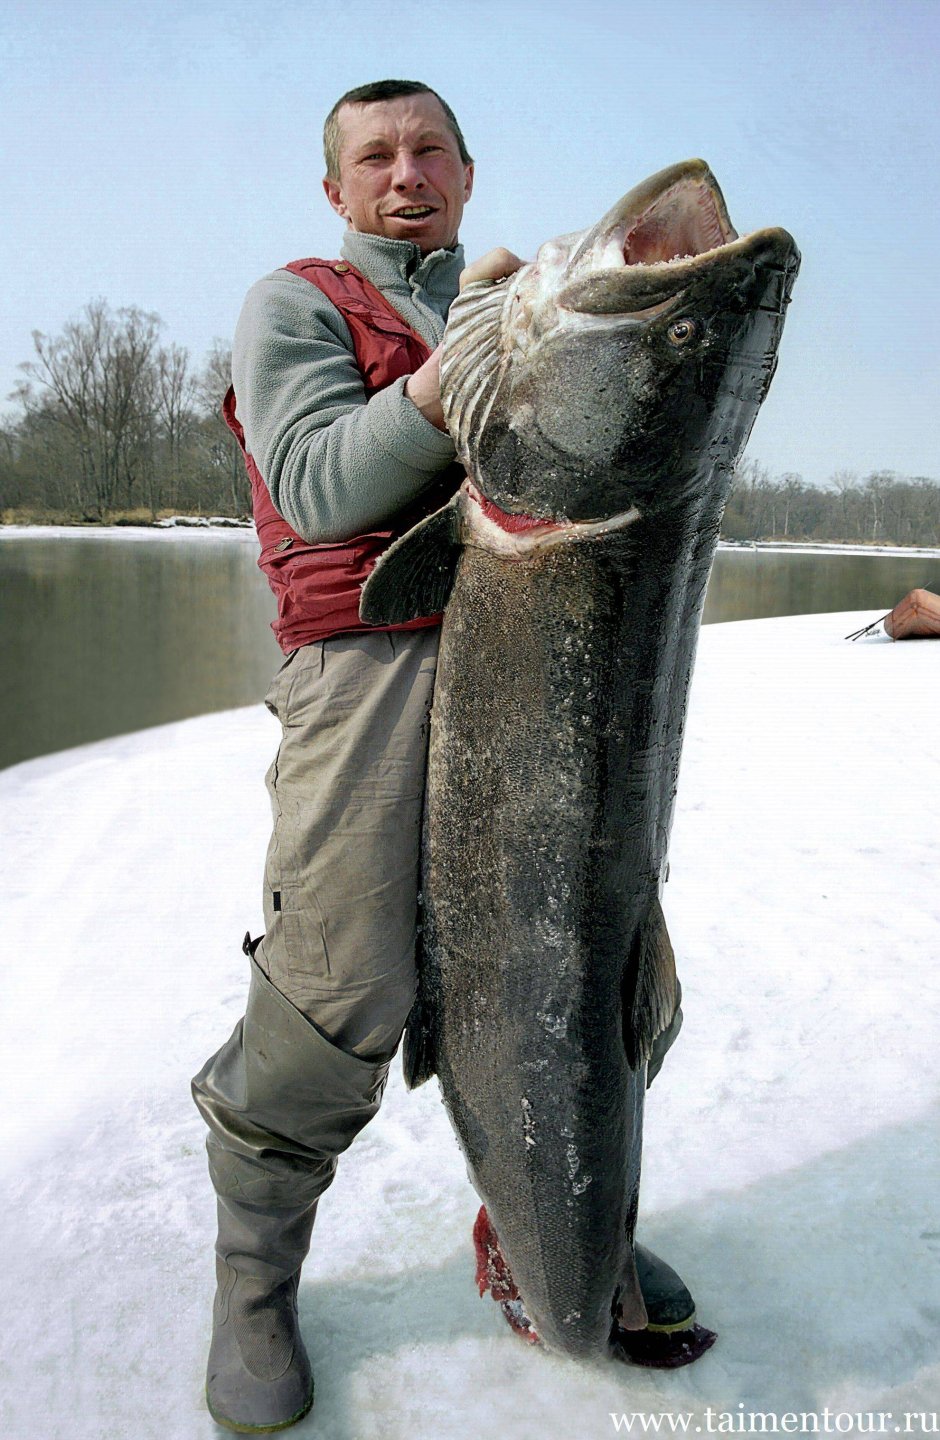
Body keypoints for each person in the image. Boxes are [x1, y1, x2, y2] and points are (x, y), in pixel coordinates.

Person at [192, 80, 694, 1436]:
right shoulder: (292, 304)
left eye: (429, 151)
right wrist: (440, 383)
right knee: (337, 983)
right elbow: (315, 484)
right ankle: (254, 1285)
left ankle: (548, 1225)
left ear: (468, 174)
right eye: (375, 155)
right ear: (337, 189)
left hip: (536, 667)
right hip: (364, 679)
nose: (404, 173)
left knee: (578, 960)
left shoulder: (519, 302)